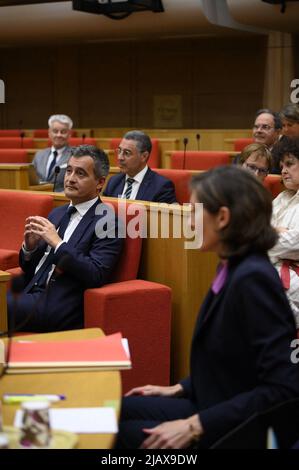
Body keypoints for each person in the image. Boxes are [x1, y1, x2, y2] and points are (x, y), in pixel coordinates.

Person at [115, 166, 299, 449]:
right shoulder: (232, 263)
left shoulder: (253, 279)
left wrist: (194, 425)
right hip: (211, 402)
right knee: (115, 411)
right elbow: (232, 362)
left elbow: (282, 388)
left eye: (194, 212)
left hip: (235, 429)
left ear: (223, 218)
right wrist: (180, 387)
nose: (189, 222)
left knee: (115, 437)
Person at [7, 145, 123, 332]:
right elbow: (31, 269)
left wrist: (58, 244)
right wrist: (29, 249)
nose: (70, 179)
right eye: (69, 171)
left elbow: (96, 274)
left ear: (100, 183)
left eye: (80, 174)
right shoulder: (57, 213)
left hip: (59, 306)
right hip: (30, 293)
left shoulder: (108, 222)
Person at [269, 137, 299, 330]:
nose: (284, 171)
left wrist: (265, 235)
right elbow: (255, 230)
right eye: (282, 166)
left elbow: (294, 244)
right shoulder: (281, 198)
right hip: (272, 269)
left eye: (290, 164)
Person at [102, 130, 177, 203]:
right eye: (119, 151)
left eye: (127, 153)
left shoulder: (161, 186)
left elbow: (166, 215)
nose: (120, 157)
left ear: (144, 156)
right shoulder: (113, 181)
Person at [33, 114, 73, 192]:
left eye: (63, 132)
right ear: (49, 133)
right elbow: (31, 180)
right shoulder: (39, 155)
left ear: (69, 134)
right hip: (38, 197)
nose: (59, 135)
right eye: (55, 131)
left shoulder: (75, 155)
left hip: (62, 199)